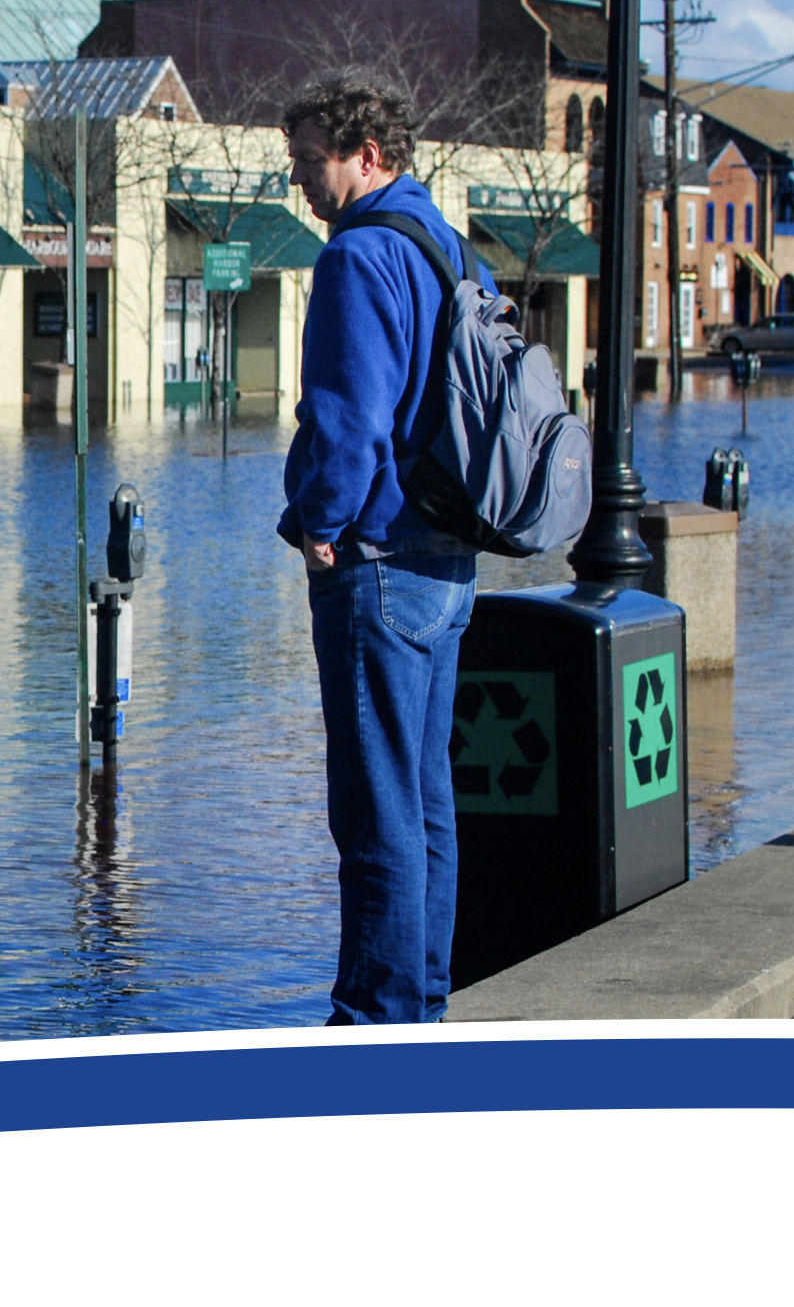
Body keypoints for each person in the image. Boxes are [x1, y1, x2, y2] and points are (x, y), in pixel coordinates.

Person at [277, 72, 492, 1025]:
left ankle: (373, 1019)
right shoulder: (449, 249)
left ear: (367, 156)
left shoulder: (357, 258)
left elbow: (348, 422)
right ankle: (422, 998)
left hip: (380, 557)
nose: (300, 183)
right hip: (447, 554)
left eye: (308, 161)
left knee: (373, 809)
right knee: (426, 798)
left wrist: (320, 524)